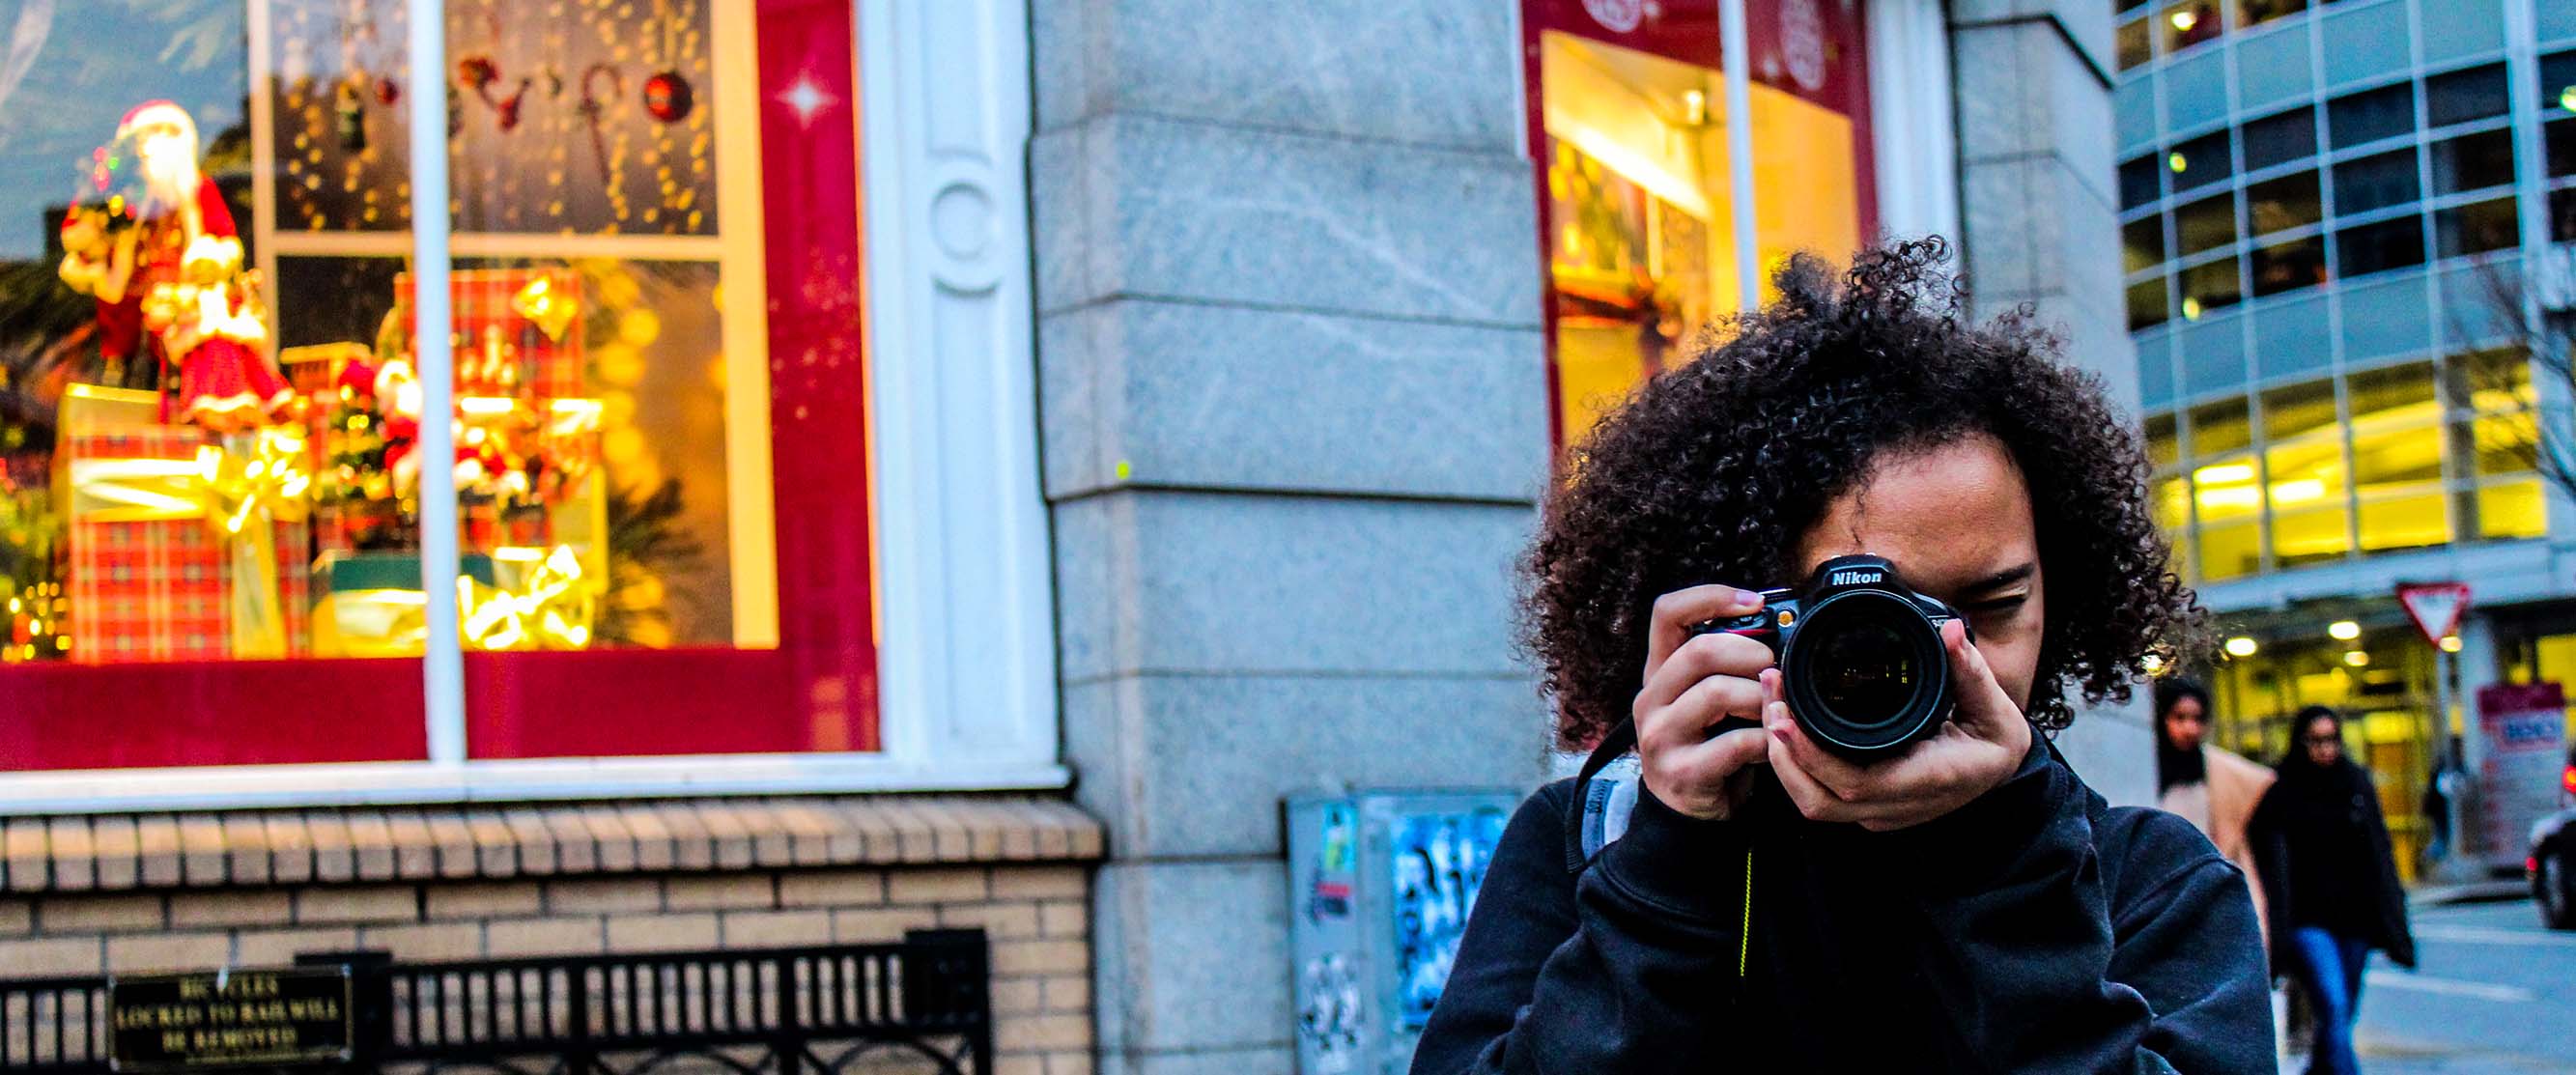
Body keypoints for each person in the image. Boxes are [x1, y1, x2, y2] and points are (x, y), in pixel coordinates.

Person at [1410, 240, 2272, 1073]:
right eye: (1869, 621)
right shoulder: (1593, 848)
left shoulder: (2153, 885)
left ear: (2064, 593)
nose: (1946, 656)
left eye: (1991, 608)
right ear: (1741, 614)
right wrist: (1670, 866)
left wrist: (2008, 862)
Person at [2250, 706, 2416, 1075]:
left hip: (2355, 917)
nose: (2325, 749)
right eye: (2316, 740)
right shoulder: (2281, 787)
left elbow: (2379, 851)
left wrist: (2393, 915)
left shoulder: (2355, 782)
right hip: (2306, 918)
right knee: (2334, 1003)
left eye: (2332, 740)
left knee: (2341, 1012)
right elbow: (2267, 858)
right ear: (2301, 741)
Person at [2156, 676, 2278, 941]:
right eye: (2180, 717)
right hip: (2162, 894)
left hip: (2212, 892)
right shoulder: (2150, 769)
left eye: (2197, 719)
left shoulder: (2219, 772)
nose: (2189, 728)